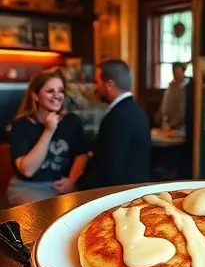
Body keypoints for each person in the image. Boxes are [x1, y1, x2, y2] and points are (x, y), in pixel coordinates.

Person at [8, 72, 88, 205]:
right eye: (50, 91)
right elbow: (27, 170)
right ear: (35, 96)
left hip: (62, 186)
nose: (57, 95)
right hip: (27, 187)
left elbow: (81, 155)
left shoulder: (72, 121)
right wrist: (49, 131)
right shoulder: (21, 125)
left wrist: (71, 181)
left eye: (60, 91)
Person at [78, 60, 151, 190]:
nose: (96, 88)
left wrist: (78, 184)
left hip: (119, 194)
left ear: (109, 85)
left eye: (97, 82)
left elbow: (109, 170)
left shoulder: (117, 117)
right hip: (137, 188)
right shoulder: (138, 111)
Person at [157, 62, 189, 130]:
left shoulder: (187, 89)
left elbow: (182, 110)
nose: (177, 75)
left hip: (181, 126)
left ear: (183, 72)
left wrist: (173, 123)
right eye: (175, 72)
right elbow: (164, 105)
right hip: (167, 123)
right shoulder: (171, 88)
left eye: (178, 72)